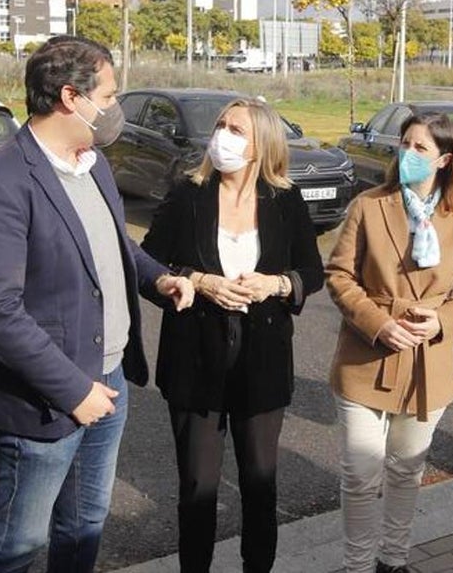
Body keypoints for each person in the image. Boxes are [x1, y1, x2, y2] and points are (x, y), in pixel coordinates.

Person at [0, 36, 193, 573]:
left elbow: (117, 245)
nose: (114, 109)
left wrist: (160, 281)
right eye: (108, 96)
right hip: (48, 401)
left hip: (109, 381)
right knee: (16, 543)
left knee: (84, 524)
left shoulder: (91, 163)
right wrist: (74, 390)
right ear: (71, 96)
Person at [140, 98, 325, 572]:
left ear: (262, 142)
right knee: (198, 489)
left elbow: (311, 270)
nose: (223, 135)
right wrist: (199, 282)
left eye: (236, 128)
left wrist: (278, 284)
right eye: (221, 125)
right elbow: (148, 263)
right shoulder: (188, 193)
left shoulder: (285, 200)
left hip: (261, 362)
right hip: (194, 361)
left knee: (260, 485)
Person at [327, 112, 453, 573]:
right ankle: (358, 565)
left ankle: (393, 560)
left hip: (429, 363)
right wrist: (377, 323)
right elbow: (339, 275)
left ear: (445, 158)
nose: (408, 155)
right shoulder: (368, 205)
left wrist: (441, 321)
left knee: (406, 471)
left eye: (420, 148)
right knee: (361, 474)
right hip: (365, 358)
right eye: (404, 144)